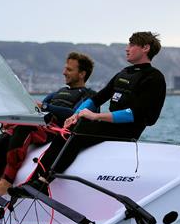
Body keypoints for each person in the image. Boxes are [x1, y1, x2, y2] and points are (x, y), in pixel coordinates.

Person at [25, 32, 166, 189]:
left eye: (132, 45)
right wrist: (75, 115)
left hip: (128, 131)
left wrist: (96, 116)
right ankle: (34, 179)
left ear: (145, 48)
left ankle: (44, 181)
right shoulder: (125, 73)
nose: (127, 49)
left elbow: (136, 114)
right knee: (69, 128)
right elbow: (97, 98)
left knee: (81, 128)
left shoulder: (154, 77)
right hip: (111, 127)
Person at [0, 52, 96, 206]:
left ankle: (6, 182)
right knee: (2, 139)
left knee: (23, 129)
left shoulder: (90, 96)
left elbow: (78, 115)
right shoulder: (56, 93)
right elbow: (36, 110)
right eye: (65, 68)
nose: (64, 72)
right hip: (40, 127)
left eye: (69, 69)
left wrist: (46, 106)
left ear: (82, 74)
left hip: (57, 132)